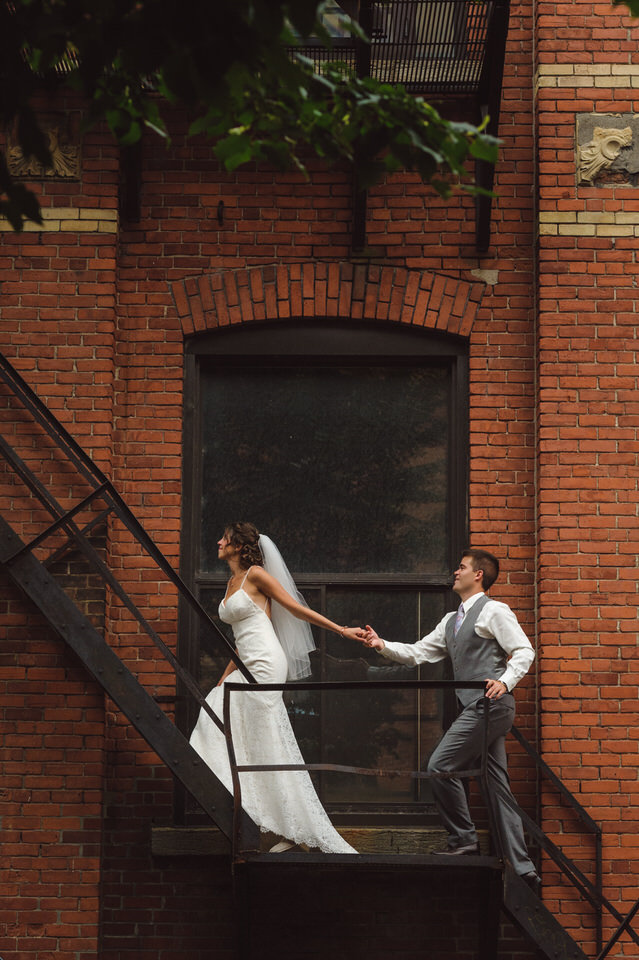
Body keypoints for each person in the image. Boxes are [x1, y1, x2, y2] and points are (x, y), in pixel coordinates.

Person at [356, 548, 540, 888]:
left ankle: (464, 841)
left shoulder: (494, 610)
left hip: (491, 707)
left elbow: (525, 650)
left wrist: (505, 681)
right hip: (476, 710)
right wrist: (381, 644)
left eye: (461, 568)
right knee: (498, 788)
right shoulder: (450, 621)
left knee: (440, 765)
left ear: (478, 575)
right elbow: (417, 653)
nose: (455, 572)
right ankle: (523, 869)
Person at [189, 522, 362, 854]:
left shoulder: (255, 574)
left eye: (225, 538)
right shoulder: (231, 581)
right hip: (246, 661)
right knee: (215, 710)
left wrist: (340, 630)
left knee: (267, 737)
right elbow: (240, 642)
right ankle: (267, 814)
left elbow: (295, 608)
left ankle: (297, 829)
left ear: (239, 546)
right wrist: (223, 677)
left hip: (267, 663)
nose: (218, 541)